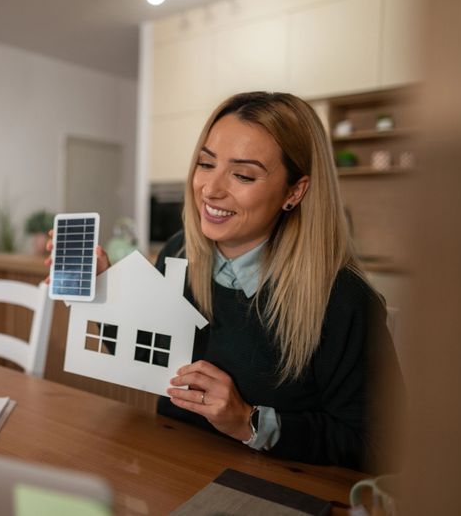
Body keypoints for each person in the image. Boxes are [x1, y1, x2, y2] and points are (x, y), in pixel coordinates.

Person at [48, 92, 403, 471]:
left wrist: (249, 422)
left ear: (294, 191)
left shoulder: (345, 300)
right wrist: (103, 295)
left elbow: (379, 445)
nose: (210, 189)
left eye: (243, 174)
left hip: (277, 487)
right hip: (173, 469)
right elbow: (148, 355)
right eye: (206, 163)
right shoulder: (178, 253)